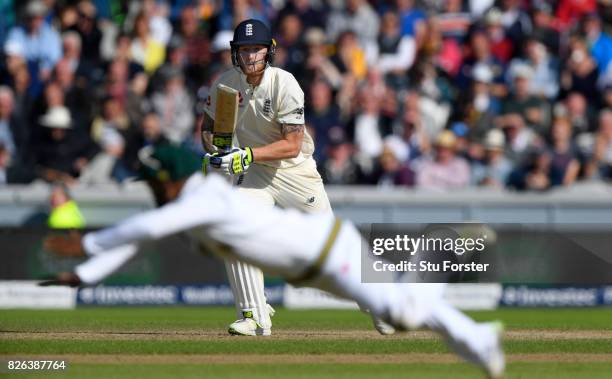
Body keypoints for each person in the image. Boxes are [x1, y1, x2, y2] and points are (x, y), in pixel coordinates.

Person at [42, 143, 505, 379]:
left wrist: (86, 247)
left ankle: (441, 248)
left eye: (153, 181)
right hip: (318, 259)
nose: (150, 189)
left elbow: (145, 230)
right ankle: (481, 342)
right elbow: (141, 239)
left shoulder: (204, 199)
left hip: (326, 253)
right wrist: (82, 275)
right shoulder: (191, 202)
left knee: (403, 312)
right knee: (407, 309)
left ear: (170, 179)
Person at [200, 19, 368, 337]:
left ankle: (378, 302)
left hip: (295, 171)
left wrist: (245, 155)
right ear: (235, 53)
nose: (251, 56)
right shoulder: (225, 83)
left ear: (269, 51)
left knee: (330, 248)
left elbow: (292, 146)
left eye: (256, 49)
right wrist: (217, 154)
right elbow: (209, 131)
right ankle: (254, 315)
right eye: (244, 50)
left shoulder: (285, 83)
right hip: (255, 172)